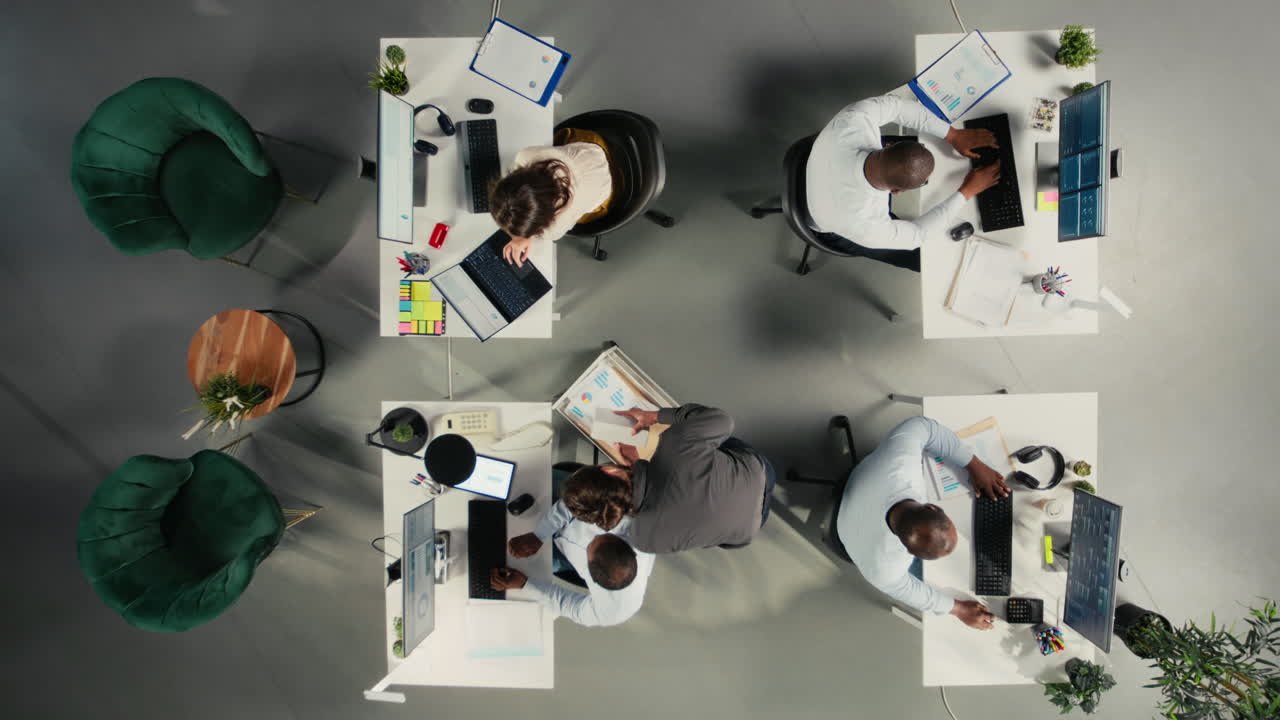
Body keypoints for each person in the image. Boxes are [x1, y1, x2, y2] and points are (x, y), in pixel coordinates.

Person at [513, 404, 774, 554]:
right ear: (610, 471)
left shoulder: (644, 541)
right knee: (710, 438)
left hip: (745, 531)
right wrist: (656, 417)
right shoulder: (674, 443)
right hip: (758, 474)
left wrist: (639, 466)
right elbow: (723, 420)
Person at [835, 416, 1011, 630]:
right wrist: (960, 609)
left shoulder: (899, 464)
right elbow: (906, 590)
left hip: (858, 496)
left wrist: (974, 465)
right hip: (848, 533)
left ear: (930, 508)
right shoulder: (886, 568)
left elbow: (922, 426)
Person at [805, 93, 1003, 271]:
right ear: (896, 191)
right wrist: (966, 191)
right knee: (923, 258)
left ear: (890, 145)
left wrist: (953, 135)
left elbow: (898, 107)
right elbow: (918, 235)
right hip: (823, 223)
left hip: (819, 162)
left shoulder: (854, 119)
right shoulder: (866, 224)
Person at [494, 491, 654, 627]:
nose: (594, 534)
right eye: (603, 535)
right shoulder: (633, 522)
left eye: (590, 544)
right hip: (572, 504)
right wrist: (540, 534)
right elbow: (577, 498)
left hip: (562, 551)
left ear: (591, 576)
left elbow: (571, 607)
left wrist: (525, 585)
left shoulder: (617, 609)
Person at [489, 128, 615, 267]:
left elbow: (544, 230)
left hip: (606, 188)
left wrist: (522, 238)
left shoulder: (554, 229)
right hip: (592, 151)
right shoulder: (525, 156)